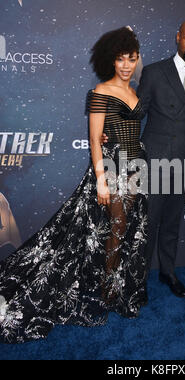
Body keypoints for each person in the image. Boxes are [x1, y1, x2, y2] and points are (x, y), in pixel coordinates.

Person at [0, 27, 148, 344]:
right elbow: (95, 139)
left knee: (125, 233)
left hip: (137, 169)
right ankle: (105, 296)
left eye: (131, 59)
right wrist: (101, 181)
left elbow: (131, 131)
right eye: (120, 59)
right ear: (111, 60)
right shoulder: (101, 91)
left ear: (137, 60)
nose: (126, 65)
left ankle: (118, 289)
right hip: (111, 170)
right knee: (113, 231)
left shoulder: (136, 90)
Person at [102, 18, 185, 299]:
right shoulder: (154, 72)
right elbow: (138, 113)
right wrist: (110, 132)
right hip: (155, 160)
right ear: (178, 38)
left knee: (173, 222)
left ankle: (168, 272)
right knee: (147, 224)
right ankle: (139, 280)